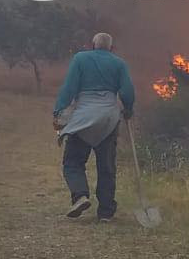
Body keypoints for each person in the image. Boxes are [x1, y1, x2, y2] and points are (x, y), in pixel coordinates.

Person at [53, 32, 135, 221]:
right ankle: (106, 212)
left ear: (92, 45)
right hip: (108, 118)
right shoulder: (119, 63)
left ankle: (80, 196)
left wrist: (58, 110)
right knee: (106, 166)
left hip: (84, 117)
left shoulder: (80, 59)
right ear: (111, 48)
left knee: (73, 162)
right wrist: (128, 109)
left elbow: (69, 88)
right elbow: (127, 91)